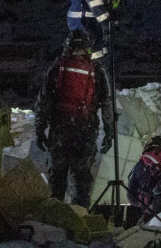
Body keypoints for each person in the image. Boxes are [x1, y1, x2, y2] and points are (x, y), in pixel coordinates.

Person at [33, 30, 114, 207]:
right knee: (82, 181)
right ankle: (80, 217)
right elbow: (107, 103)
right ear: (87, 48)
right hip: (85, 132)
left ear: (68, 47)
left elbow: (44, 100)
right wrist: (109, 132)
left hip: (60, 131)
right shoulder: (97, 70)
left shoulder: (58, 67)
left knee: (57, 179)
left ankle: (56, 216)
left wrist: (39, 130)